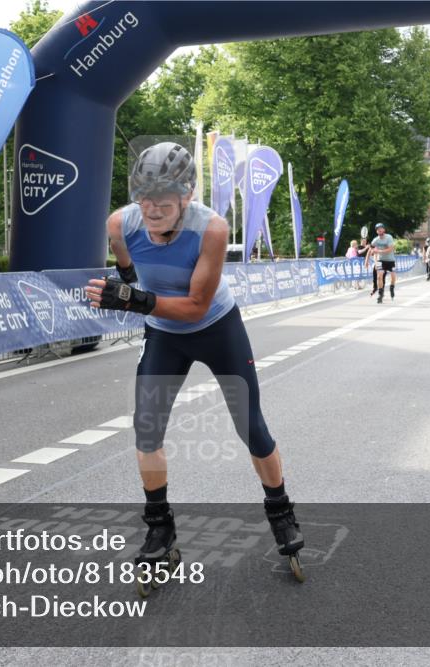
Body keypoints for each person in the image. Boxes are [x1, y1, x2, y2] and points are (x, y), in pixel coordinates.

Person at [85, 142, 305, 585]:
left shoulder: (212, 229)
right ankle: (159, 529)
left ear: (186, 196)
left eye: (163, 202)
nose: (151, 210)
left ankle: (279, 509)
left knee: (251, 427)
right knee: (146, 430)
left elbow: (194, 307)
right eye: (143, 199)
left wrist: (134, 299)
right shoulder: (119, 224)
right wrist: (127, 287)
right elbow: (126, 269)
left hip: (215, 327)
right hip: (164, 336)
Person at [370, 223, 396, 303]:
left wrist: (379, 251)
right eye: (378, 229)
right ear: (376, 231)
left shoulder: (389, 237)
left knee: (393, 277)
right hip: (380, 261)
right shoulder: (375, 240)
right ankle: (380, 294)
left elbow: (390, 249)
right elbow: (371, 248)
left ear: (384, 230)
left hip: (390, 260)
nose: (379, 230)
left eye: (381, 228)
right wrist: (372, 252)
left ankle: (392, 287)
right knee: (379, 277)